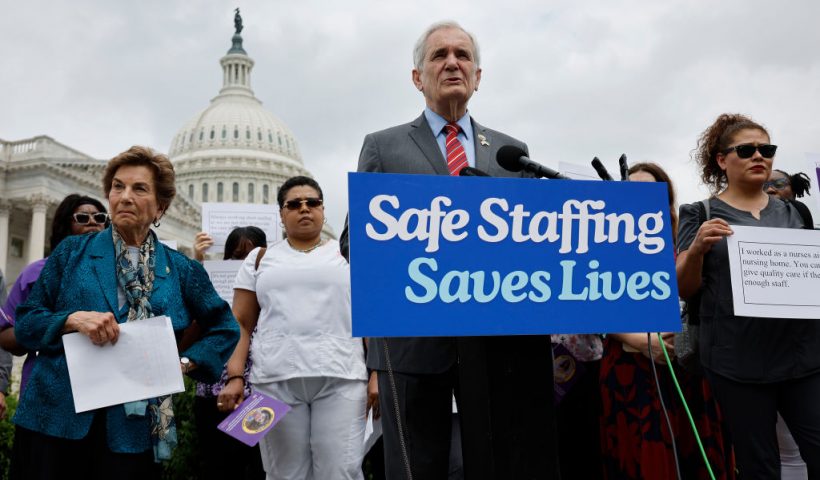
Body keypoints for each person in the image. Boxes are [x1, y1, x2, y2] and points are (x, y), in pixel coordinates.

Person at [341, 20, 558, 479]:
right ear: (418, 77)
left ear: (478, 76)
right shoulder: (384, 147)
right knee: (417, 467)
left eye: (463, 55)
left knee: (497, 464)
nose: (453, 63)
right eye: (439, 55)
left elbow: (530, 242)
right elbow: (352, 241)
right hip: (414, 341)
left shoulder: (511, 153)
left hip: (497, 343)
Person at [10, 146, 239, 479]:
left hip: (130, 432)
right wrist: (71, 320)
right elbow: (26, 322)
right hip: (55, 419)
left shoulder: (181, 270)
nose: (125, 196)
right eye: (118, 187)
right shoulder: (72, 253)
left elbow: (225, 328)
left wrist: (184, 364)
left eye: (139, 188)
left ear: (161, 206)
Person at [677, 114, 820, 477]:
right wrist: (695, 251)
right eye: (747, 149)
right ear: (722, 160)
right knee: (760, 465)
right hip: (736, 362)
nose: (759, 156)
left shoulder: (795, 213)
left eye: (766, 149)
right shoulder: (699, 213)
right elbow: (682, 288)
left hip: (801, 356)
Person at [220, 176, 367, 480]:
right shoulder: (259, 259)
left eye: (312, 202)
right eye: (294, 204)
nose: (304, 209)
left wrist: (377, 373)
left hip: (342, 377)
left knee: (341, 471)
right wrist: (235, 376)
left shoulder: (350, 256)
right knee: (284, 474)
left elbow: (371, 318)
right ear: (282, 214)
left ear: (323, 210)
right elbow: (241, 324)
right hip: (275, 381)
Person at [599, 163, 734, 479]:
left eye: (650, 191)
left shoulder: (683, 244)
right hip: (630, 370)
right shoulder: (603, 243)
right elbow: (592, 309)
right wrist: (641, 343)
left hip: (688, 366)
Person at [0, 194, 109, 396]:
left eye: (100, 217)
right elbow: (7, 338)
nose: (93, 221)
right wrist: (59, 325)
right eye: (83, 218)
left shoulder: (120, 274)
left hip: (106, 391)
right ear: (64, 226)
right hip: (45, 392)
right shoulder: (37, 273)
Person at [192, 226, 267, 480]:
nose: (243, 264)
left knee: (257, 464)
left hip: (257, 393)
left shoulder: (274, 289)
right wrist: (198, 261)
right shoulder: (211, 286)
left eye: (250, 257)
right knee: (219, 465)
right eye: (237, 257)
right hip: (213, 393)